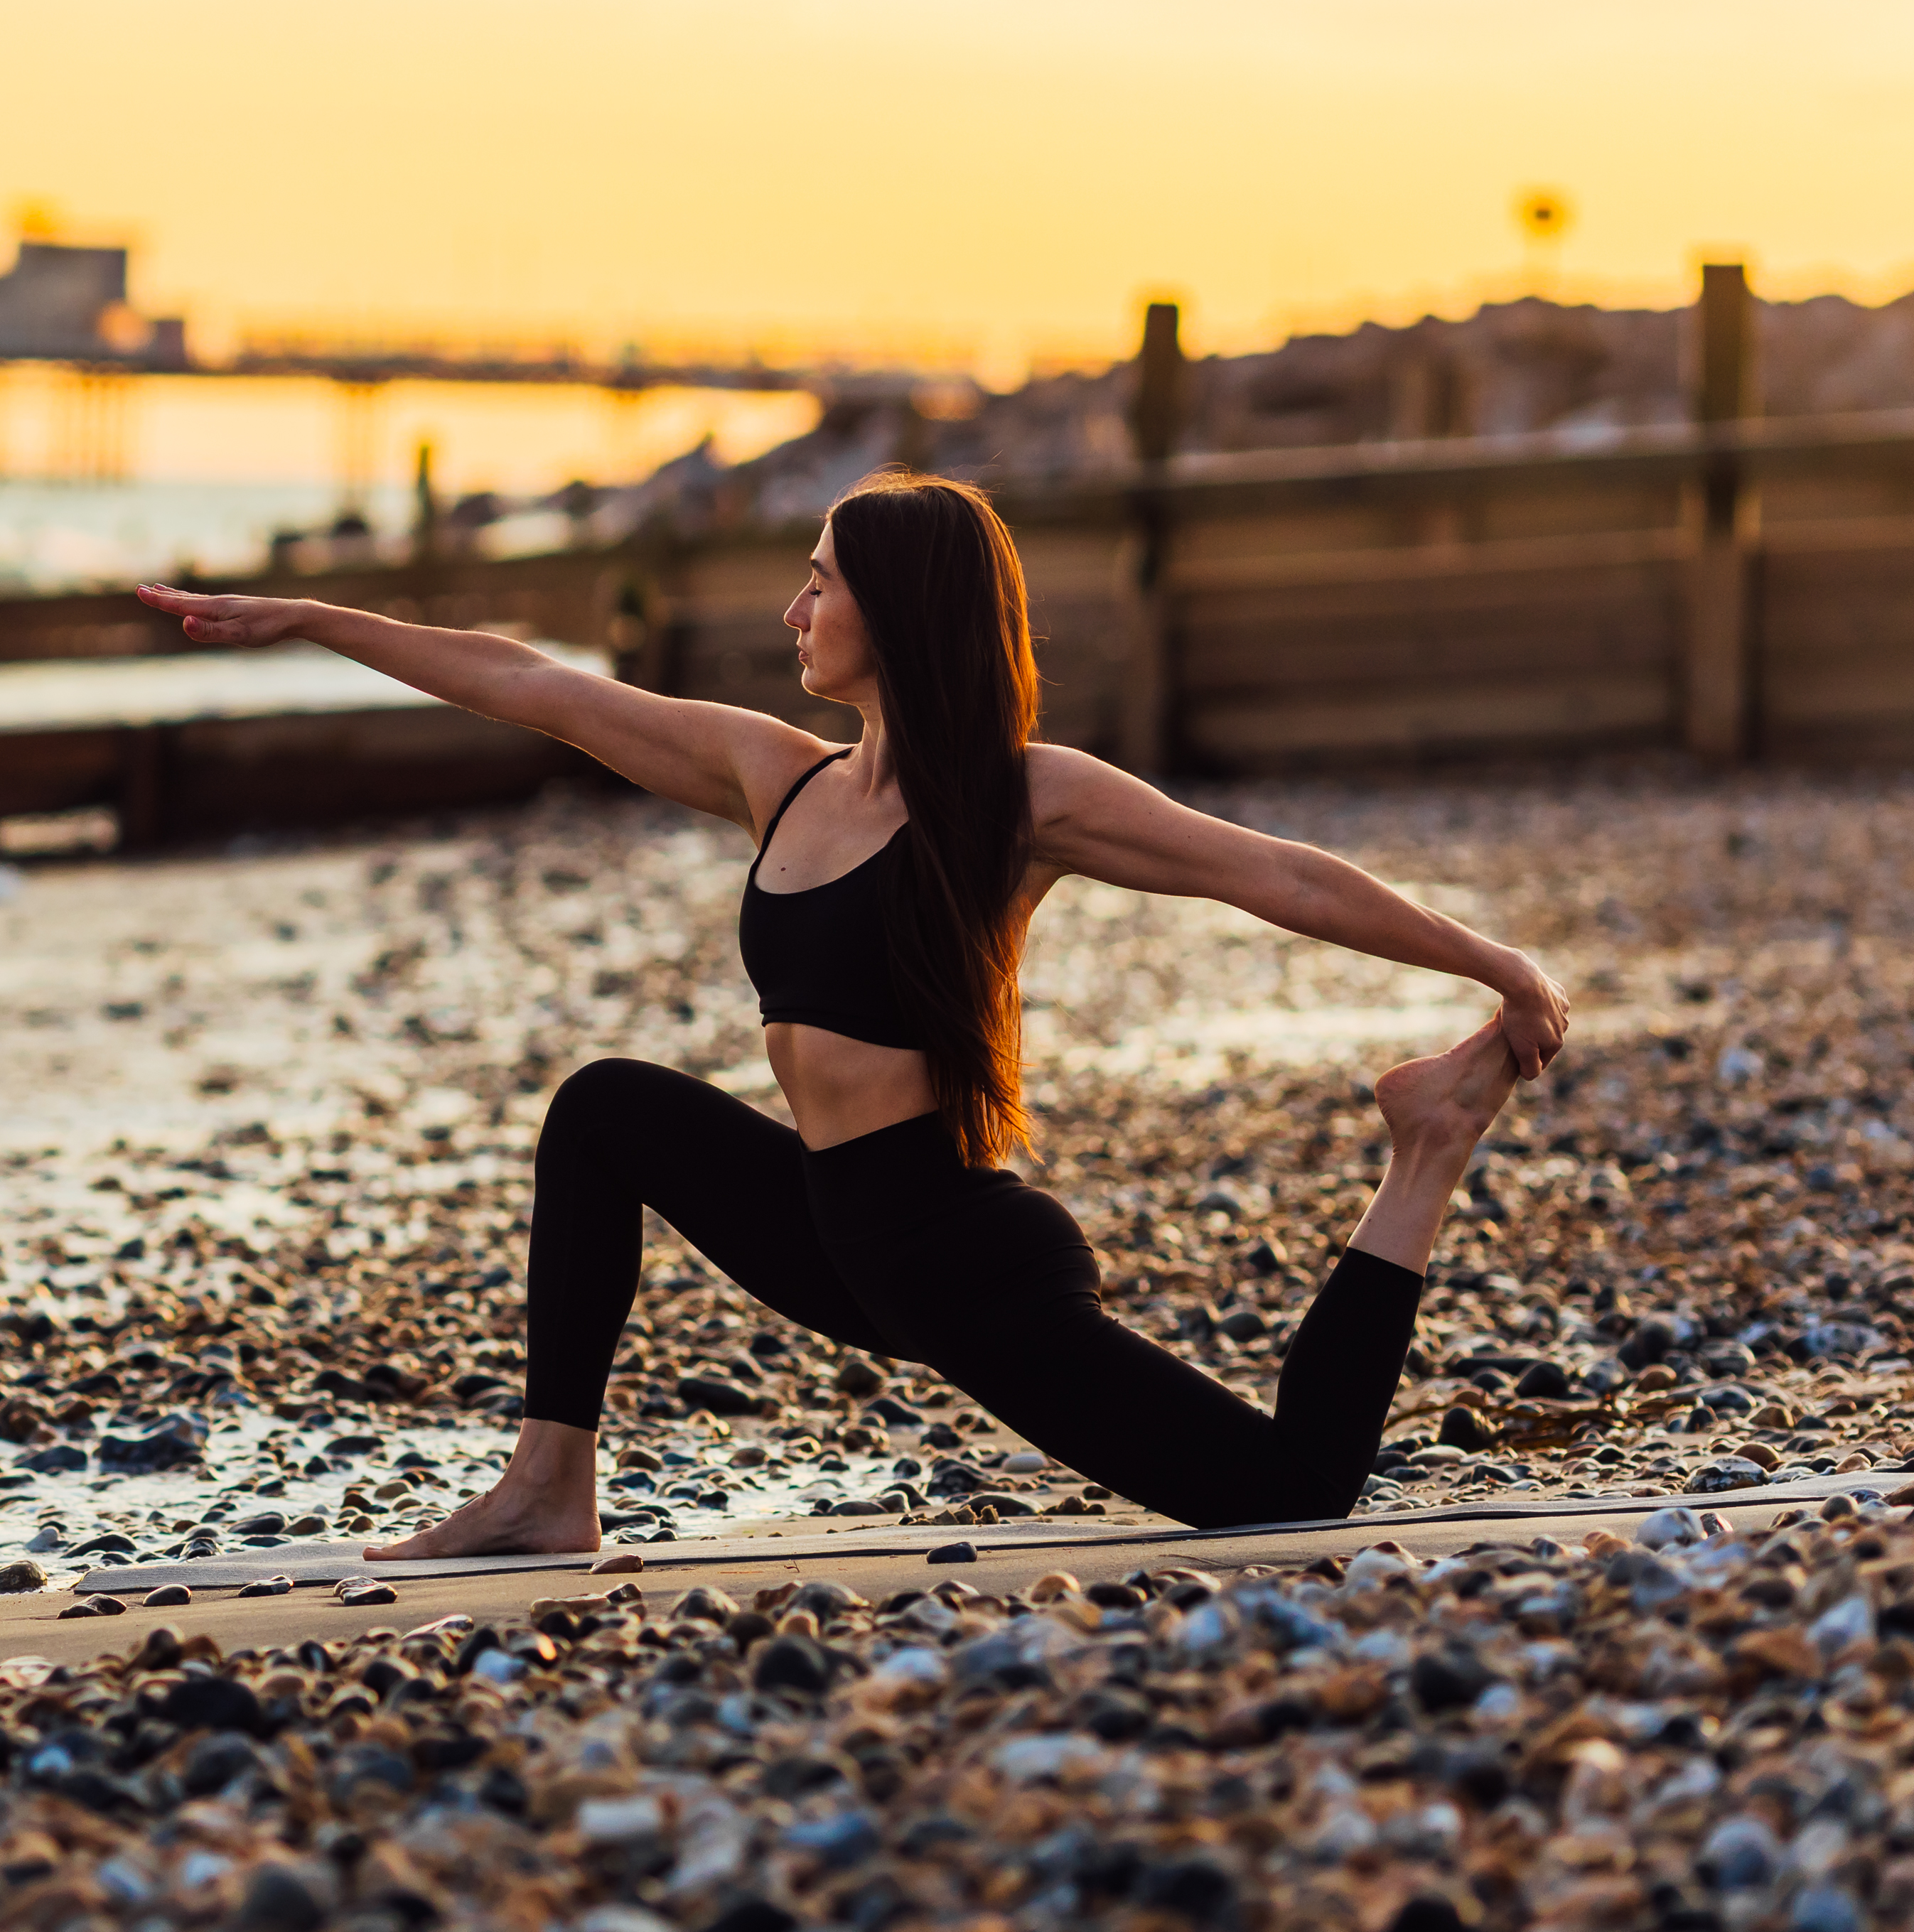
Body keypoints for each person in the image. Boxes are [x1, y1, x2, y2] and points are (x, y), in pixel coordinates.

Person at [136, 470, 1566, 1541]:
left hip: (953, 1253)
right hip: (825, 1229)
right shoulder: (785, 773)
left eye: (820, 579)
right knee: (603, 1110)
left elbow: (1277, 876)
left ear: (898, 607)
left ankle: (1425, 1144)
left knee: (1289, 1494)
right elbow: (534, 687)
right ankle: (547, 1479)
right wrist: (313, 617)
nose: (793, 609)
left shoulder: (1019, 796)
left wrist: (1492, 965)